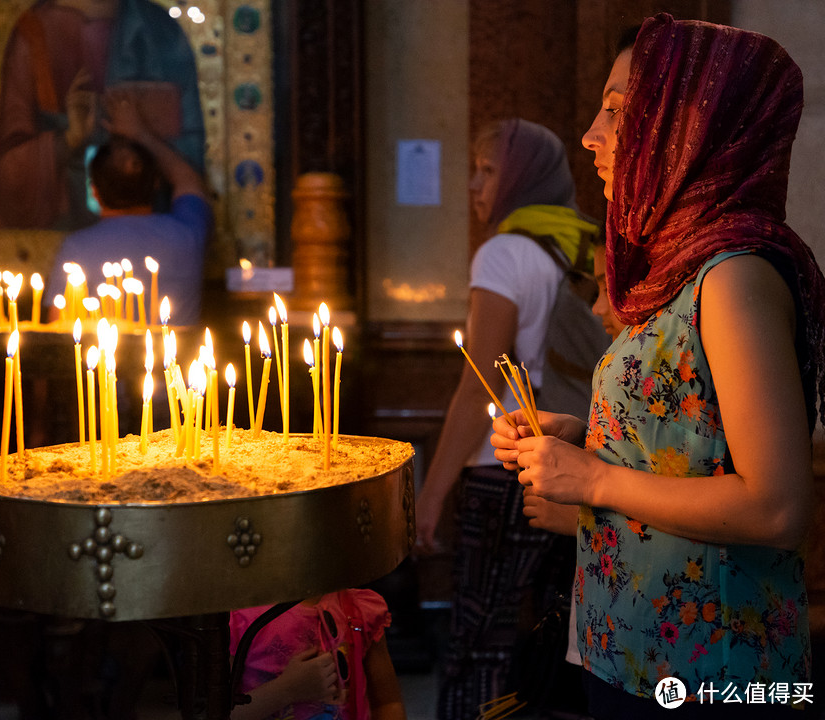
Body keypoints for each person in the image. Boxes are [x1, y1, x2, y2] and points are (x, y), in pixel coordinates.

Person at [493, 14, 825, 719]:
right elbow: (694, 441)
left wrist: (594, 477)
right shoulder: (678, 270)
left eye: (618, 110)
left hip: (713, 672)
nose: (591, 134)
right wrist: (584, 439)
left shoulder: (732, 276)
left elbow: (777, 505)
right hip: (639, 654)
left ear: (687, 126)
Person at [413, 118, 600, 719]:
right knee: (552, 636)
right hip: (577, 464)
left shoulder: (503, 253)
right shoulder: (587, 245)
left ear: (522, 176)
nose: (474, 183)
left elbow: (480, 386)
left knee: (479, 642)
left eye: (489, 169)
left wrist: (431, 493)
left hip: (503, 469)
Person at [0, 0, 205, 230]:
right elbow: (8, 177)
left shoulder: (161, 30)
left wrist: (142, 133)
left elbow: (194, 157)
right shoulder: (32, 34)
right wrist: (68, 139)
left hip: (148, 223)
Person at [43, 89, 212, 326]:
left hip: (101, 363)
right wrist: (141, 133)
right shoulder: (186, 236)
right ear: (156, 184)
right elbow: (188, 180)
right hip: (175, 363)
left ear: (94, 191)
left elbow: (58, 328)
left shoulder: (77, 248)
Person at [229, 590, 407, 720]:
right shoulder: (236, 619)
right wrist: (286, 690)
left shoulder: (358, 608)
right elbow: (214, 712)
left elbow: (387, 704)